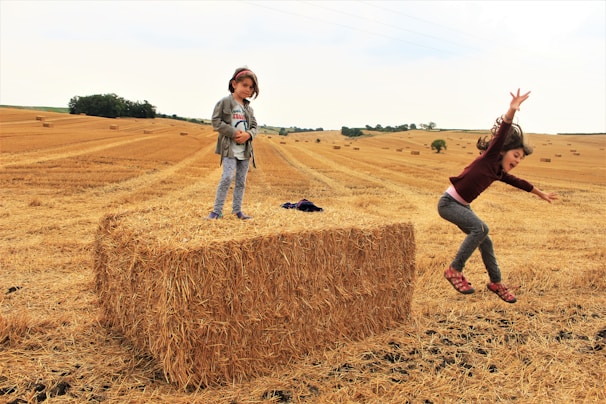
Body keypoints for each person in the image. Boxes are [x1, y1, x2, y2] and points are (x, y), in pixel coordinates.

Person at [437, 89, 558, 303]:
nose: (518, 160)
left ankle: (496, 282)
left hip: (462, 205)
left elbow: (520, 183)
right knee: (481, 228)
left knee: (486, 241)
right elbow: (504, 130)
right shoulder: (490, 157)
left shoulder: (499, 172)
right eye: (516, 155)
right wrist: (512, 110)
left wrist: (541, 193)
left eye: (521, 158)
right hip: (448, 203)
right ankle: (455, 269)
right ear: (503, 151)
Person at [207, 67, 259, 220]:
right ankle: (216, 211)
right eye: (245, 85)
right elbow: (216, 122)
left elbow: (255, 127)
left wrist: (248, 135)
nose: (248, 89)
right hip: (230, 149)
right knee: (227, 177)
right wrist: (233, 132)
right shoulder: (224, 102)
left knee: (241, 181)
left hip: (245, 151)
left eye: (251, 87)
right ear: (234, 84)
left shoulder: (248, 108)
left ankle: (237, 211)